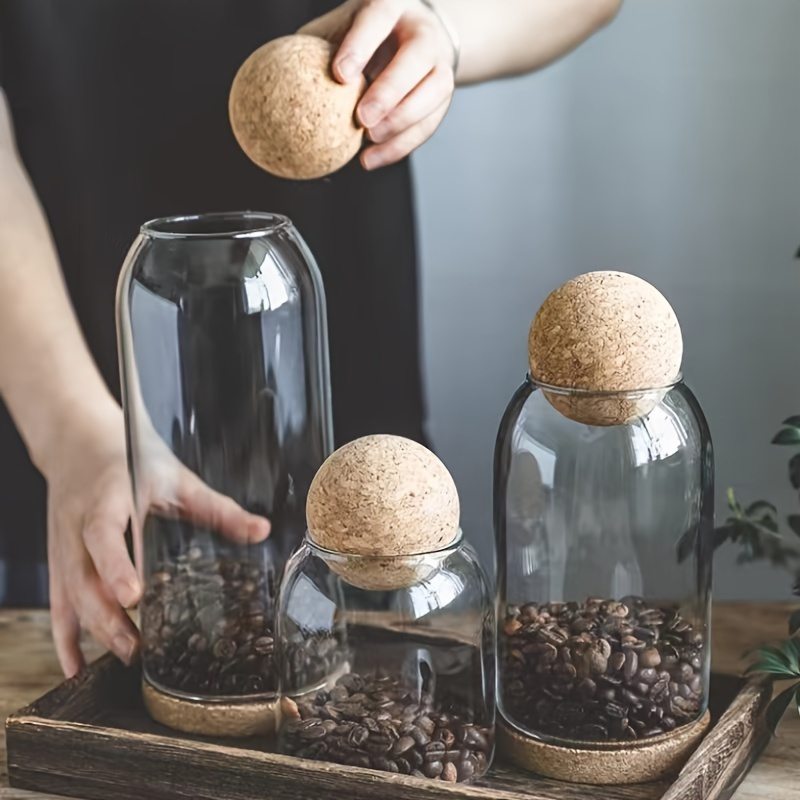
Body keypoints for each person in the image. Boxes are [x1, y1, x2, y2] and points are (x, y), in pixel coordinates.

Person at [0, 0, 622, 677]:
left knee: (376, 693)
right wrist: (69, 430)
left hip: (339, 384)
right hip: (57, 394)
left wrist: (440, 30)